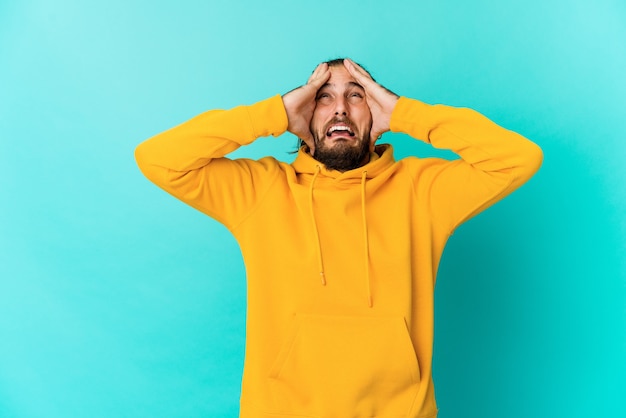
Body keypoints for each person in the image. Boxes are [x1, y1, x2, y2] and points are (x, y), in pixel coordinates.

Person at [135, 58, 543, 418]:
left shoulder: (422, 192)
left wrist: (406, 114)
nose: (340, 110)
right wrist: (273, 114)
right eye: (323, 98)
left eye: (357, 95)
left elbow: (518, 159)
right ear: (304, 117)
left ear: (377, 118)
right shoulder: (261, 191)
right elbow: (159, 158)